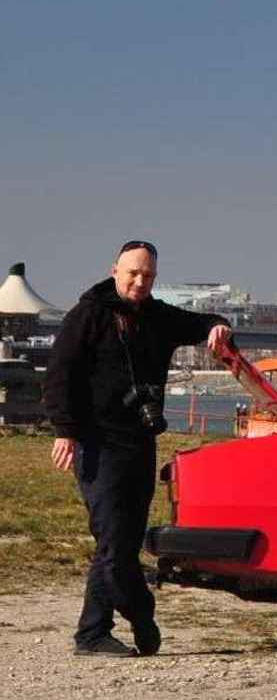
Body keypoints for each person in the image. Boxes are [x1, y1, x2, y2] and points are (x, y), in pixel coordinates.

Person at [45, 241, 232, 657]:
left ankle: (92, 632)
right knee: (113, 546)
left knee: (122, 544)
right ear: (115, 270)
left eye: (147, 275)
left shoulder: (157, 316)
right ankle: (141, 614)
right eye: (132, 273)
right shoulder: (87, 315)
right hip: (98, 444)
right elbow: (59, 374)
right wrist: (64, 431)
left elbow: (202, 322)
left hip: (140, 444)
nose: (139, 282)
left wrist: (218, 326)